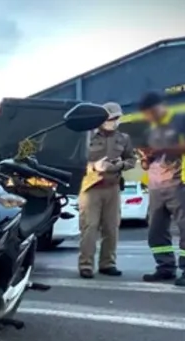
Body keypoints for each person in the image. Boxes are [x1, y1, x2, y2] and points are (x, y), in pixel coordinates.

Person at [138, 91, 185, 287]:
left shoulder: (182, 118)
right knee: (156, 231)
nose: (149, 117)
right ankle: (165, 268)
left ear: (160, 106)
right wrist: (146, 158)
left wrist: (164, 149)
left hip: (180, 182)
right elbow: (148, 161)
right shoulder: (151, 130)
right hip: (156, 186)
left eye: (151, 112)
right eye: (146, 115)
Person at [77, 102, 136, 279]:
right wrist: (95, 166)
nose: (114, 121)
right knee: (90, 228)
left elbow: (132, 159)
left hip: (113, 187)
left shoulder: (123, 138)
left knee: (112, 228)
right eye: (111, 118)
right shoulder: (86, 136)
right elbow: (76, 162)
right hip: (90, 187)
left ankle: (107, 264)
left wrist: (121, 165)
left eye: (117, 118)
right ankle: (86, 265)